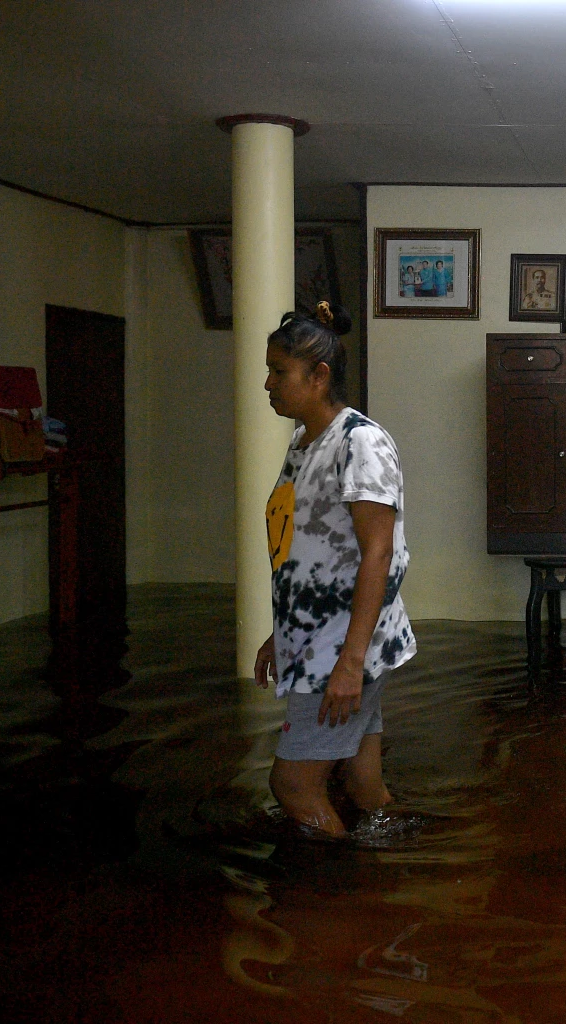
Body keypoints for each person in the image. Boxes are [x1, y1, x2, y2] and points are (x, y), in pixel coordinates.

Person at [254, 301, 416, 836]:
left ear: (319, 377)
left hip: (340, 651)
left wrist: (348, 663)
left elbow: (379, 552)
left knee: (294, 787)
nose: (268, 384)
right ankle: (391, 874)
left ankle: (337, 900)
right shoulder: (305, 443)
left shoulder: (360, 443)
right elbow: (305, 548)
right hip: (320, 640)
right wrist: (281, 634)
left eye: (280, 372)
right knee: (363, 787)